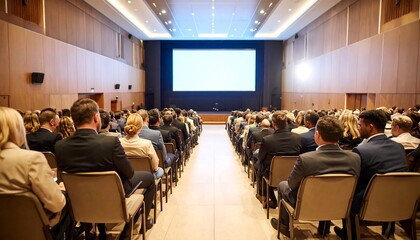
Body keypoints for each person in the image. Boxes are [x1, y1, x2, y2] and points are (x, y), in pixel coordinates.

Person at [55, 98, 156, 239]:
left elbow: (61, 178)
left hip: (79, 203)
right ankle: (131, 227)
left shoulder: (60, 146)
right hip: (112, 196)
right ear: (96, 118)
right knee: (149, 178)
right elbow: (129, 172)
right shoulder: (110, 142)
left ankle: (89, 227)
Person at [270, 116, 361, 237]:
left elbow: (292, 184)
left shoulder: (306, 159)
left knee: (283, 185)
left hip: (308, 205)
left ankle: (284, 225)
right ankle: (322, 229)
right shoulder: (355, 158)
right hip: (341, 206)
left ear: (317, 134)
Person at [334, 110, 408, 239]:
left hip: (368, 202)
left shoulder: (362, 150)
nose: (358, 128)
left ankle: (348, 233)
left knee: (346, 190)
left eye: (359, 125)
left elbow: (354, 179)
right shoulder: (398, 147)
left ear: (370, 127)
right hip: (399, 200)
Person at [0, 107, 71, 239]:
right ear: (17, 129)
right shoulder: (32, 159)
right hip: (29, 228)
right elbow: (56, 204)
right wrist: (58, 190)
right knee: (65, 199)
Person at [256, 111, 301, 208]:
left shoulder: (267, 140)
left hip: (272, 175)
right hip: (293, 174)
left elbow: (260, 158)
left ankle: (270, 198)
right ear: (286, 123)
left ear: (273, 124)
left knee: (260, 167)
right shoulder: (298, 138)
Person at [120, 113, 164, 179]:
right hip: (145, 177)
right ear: (140, 127)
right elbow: (155, 165)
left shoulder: (119, 142)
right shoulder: (147, 144)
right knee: (160, 170)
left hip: (125, 176)